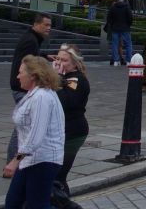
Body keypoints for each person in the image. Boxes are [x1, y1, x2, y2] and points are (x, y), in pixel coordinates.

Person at [3, 56, 65, 209]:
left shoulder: (41, 97)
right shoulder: (34, 94)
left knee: (37, 205)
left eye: (20, 72)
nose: (17, 76)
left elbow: (35, 137)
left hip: (44, 160)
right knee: (13, 203)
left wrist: (15, 160)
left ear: (33, 75)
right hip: (30, 160)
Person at [7, 14, 52, 164]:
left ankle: (17, 158)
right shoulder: (30, 40)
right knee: (23, 124)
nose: (48, 28)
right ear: (36, 24)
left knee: (25, 122)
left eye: (50, 25)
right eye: (46, 25)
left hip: (22, 86)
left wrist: (45, 55)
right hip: (22, 87)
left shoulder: (32, 39)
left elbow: (33, 57)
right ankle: (13, 160)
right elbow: (29, 64)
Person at [54, 44, 90, 199]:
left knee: (58, 176)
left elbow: (65, 102)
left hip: (73, 132)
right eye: (58, 59)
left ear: (75, 63)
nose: (61, 63)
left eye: (65, 60)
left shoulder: (76, 80)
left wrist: (56, 79)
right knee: (55, 177)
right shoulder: (65, 78)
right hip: (62, 130)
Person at [106, 0, 134, 66]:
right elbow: (130, 18)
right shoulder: (127, 6)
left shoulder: (113, 7)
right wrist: (128, 25)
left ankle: (116, 61)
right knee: (128, 44)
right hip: (125, 28)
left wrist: (112, 25)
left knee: (115, 44)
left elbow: (109, 18)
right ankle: (128, 61)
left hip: (115, 28)